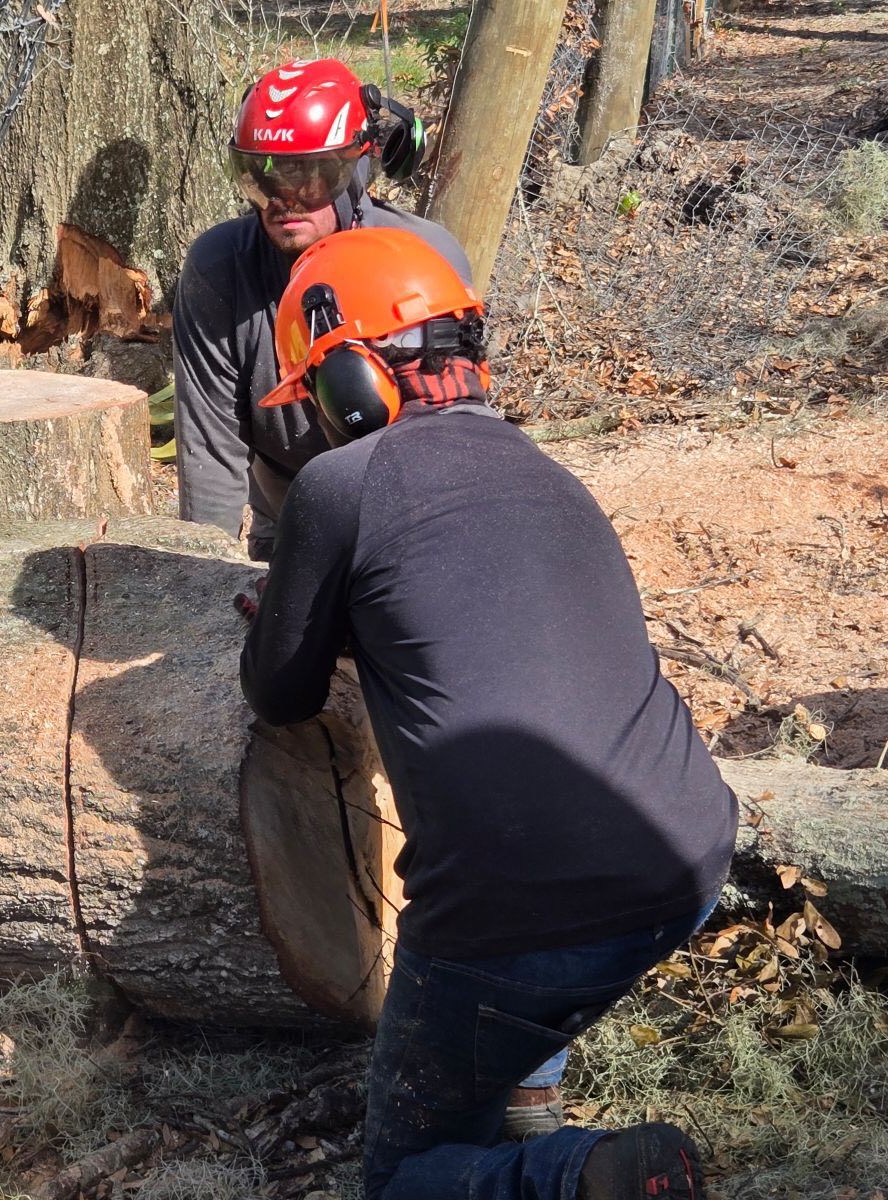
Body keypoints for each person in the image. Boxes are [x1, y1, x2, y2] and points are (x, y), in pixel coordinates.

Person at [238, 227, 737, 1200]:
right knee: (529, 998)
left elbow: (279, 692)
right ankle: (529, 1126)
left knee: (406, 1178)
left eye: (318, 405)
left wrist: (295, 617)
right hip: (686, 857)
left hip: (517, 911)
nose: (319, 432)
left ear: (349, 375)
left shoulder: (342, 487)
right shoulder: (546, 473)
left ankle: (582, 1178)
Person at [173, 57, 470, 563]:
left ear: (357, 167)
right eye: (263, 178)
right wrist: (203, 576)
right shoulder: (220, 268)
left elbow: (458, 431)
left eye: (311, 178)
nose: (286, 200)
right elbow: (212, 450)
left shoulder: (425, 262)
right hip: (289, 511)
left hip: (413, 514)